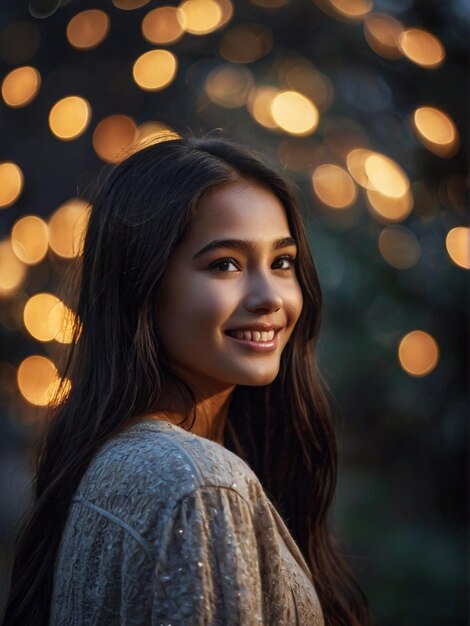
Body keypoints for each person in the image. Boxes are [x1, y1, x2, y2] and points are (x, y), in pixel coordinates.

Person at [2, 135, 371, 625]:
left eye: (282, 262)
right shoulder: (200, 486)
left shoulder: (114, 462)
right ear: (144, 286)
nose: (270, 297)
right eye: (225, 265)